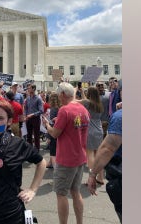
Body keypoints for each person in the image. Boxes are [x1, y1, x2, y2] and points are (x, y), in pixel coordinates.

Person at [42, 82, 90, 224]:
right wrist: (59, 122)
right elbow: (74, 125)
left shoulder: (65, 110)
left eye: (58, 94)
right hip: (80, 156)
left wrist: (47, 126)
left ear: (63, 94)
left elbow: (55, 134)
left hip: (67, 158)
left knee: (61, 194)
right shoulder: (82, 109)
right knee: (76, 192)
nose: (58, 97)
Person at [87, 86, 122, 222]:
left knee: (92, 153)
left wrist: (91, 174)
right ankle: (100, 177)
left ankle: (97, 176)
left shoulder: (120, 116)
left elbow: (108, 149)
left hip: (93, 129)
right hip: (100, 127)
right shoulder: (103, 101)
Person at [79, 86, 105, 184]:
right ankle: (101, 177)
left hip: (90, 130)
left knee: (89, 155)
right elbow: (86, 101)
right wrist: (82, 92)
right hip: (99, 130)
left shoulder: (87, 103)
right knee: (98, 155)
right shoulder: (99, 104)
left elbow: (78, 101)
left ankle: (91, 178)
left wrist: (77, 91)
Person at [23, 84, 44, 151]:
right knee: (29, 135)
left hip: (36, 119)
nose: (28, 89)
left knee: (36, 135)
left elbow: (41, 110)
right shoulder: (27, 98)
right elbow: (26, 108)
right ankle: (30, 149)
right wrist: (25, 115)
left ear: (33, 89)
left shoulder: (38, 99)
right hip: (28, 119)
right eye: (28, 88)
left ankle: (37, 149)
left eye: (29, 88)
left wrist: (32, 114)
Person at [45, 92, 61, 169]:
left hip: (53, 129)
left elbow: (52, 120)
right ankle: (50, 163)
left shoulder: (53, 108)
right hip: (60, 130)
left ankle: (55, 168)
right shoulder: (61, 107)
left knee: (53, 150)